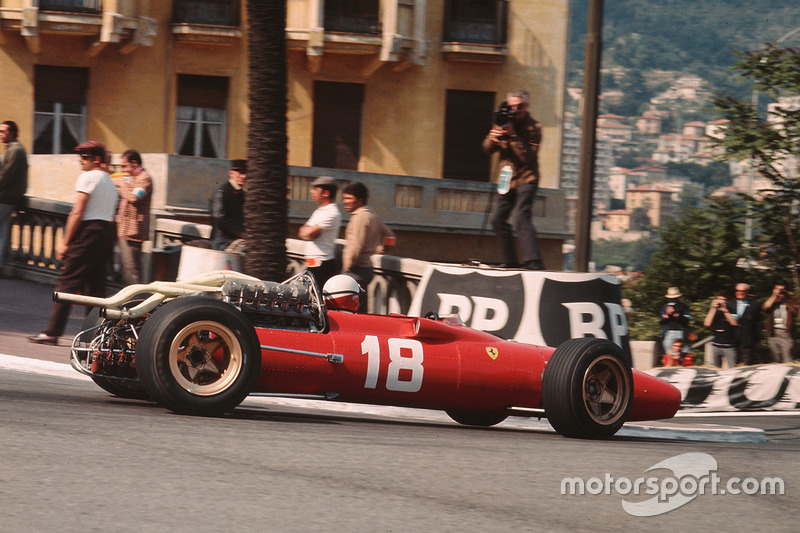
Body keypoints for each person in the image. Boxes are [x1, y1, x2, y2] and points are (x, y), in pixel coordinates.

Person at [29, 141, 118, 345]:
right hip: (105, 232)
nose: (81, 159)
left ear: (96, 159)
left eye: (85, 156)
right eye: (80, 155)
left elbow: (77, 211)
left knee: (67, 282)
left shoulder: (88, 177)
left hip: (88, 231)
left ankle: (52, 332)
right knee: (96, 287)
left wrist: (66, 242)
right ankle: (96, 335)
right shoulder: (109, 180)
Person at [482, 89, 545, 270]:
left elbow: (527, 157)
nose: (515, 110)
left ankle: (534, 262)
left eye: (519, 106)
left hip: (527, 177)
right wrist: (493, 138)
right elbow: (486, 149)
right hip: (507, 178)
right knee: (497, 220)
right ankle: (510, 261)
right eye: (511, 106)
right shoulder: (502, 122)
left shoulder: (535, 127)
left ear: (527, 106)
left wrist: (513, 136)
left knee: (520, 216)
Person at [341, 182, 395, 313]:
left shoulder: (359, 217)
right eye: (344, 198)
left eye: (349, 199)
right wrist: (379, 249)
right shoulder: (373, 215)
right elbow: (391, 238)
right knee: (360, 308)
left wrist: (347, 267)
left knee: (350, 311)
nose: (345, 202)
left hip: (355, 270)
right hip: (366, 269)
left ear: (360, 200)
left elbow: (356, 246)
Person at [114, 149, 152, 284]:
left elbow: (134, 197)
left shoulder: (144, 178)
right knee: (127, 269)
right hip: (126, 229)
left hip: (134, 231)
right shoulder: (134, 178)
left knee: (133, 270)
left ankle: (137, 300)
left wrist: (122, 185)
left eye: (124, 166)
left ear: (134, 163)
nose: (123, 170)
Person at [298, 176, 341, 288]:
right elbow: (302, 231)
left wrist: (308, 232)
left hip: (322, 264)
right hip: (313, 264)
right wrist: (308, 232)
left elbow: (308, 233)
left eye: (315, 190)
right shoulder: (319, 211)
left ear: (326, 193)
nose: (312, 192)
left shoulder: (331, 212)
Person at [0, 120, 28, 271]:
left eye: (3, 132)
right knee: (2, 232)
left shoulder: (15, 150)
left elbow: (6, 176)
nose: (1, 135)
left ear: (11, 133)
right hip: (11, 198)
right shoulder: (14, 148)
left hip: (5, 197)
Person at [211, 159, 246, 249]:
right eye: (240, 173)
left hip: (236, 241)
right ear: (231, 173)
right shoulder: (222, 192)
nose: (244, 176)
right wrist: (239, 233)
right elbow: (219, 217)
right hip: (222, 242)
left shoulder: (242, 194)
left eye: (245, 173)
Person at [762, 282, 798, 363]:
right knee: (775, 359)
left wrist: (786, 299)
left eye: (782, 290)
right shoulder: (773, 300)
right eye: (777, 289)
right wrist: (774, 296)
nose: (780, 291)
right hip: (774, 333)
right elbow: (765, 308)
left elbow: (795, 312)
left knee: (787, 358)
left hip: (786, 333)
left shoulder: (792, 299)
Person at [656, 286, 691, 366]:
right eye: (671, 298)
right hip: (668, 332)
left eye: (675, 298)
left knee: (684, 353)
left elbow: (687, 319)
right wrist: (668, 314)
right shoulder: (665, 307)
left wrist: (678, 314)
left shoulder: (683, 307)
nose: (673, 300)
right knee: (669, 353)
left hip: (681, 332)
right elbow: (661, 321)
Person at [704, 291, 738, 368]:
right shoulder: (714, 311)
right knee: (716, 369)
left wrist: (725, 311)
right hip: (716, 345)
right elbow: (707, 323)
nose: (721, 302)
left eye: (723, 300)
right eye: (719, 300)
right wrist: (713, 308)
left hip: (729, 346)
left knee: (733, 368)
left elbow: (734, 323)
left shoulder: (732, 310)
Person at [732, 282, 762, 365]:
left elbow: (758, 324)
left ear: (747, 292)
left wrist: (758, 341)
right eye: (738, 290)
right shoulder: (730, 305)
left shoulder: (755, 305)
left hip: (748, 341)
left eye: (743, 291)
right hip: (733, 341)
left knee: (747, 365)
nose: (740, 292)